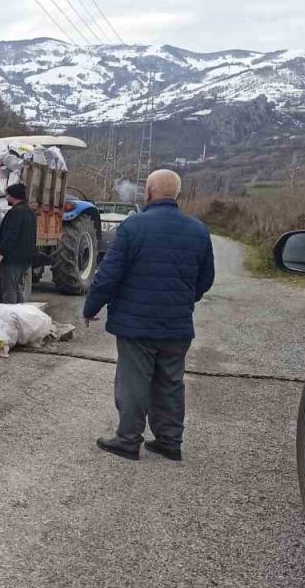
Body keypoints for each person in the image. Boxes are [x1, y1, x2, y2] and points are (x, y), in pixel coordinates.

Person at [84, 170, 215, 462]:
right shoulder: (198, 230)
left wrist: (91, 307)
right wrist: (183, 300)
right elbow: (206, 279)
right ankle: (169, 441)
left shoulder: (133, 227)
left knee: (133, 382)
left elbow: (109, 275)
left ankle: (128, 440)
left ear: (150, 192)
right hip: (177, 325)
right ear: (177, 194)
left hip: (136, 325)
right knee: (170, 382)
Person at [0, 183, 37, 304]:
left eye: (8, 195)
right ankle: (19, 313)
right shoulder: (30, 212)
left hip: (13, 258)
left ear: (13, 196)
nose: (6, 198)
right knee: (17, 288)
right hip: (26, 257)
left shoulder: (15, 213)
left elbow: (11, 235)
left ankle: (10, 315)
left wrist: (1, 253)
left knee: (9, 289)